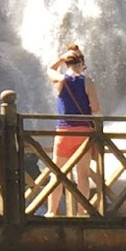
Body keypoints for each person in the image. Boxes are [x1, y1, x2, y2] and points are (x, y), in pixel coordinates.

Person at [46, 43, 101, 217]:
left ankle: (51, 212)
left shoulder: (60, 80)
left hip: (64, 131)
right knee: (82, 175)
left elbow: (49, 69)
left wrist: (61, 58)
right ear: (81, 63)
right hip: (84, 132)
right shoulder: (87, 81)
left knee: (57, 174)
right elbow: (96, 107)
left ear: (67, 63)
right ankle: (81, 212)